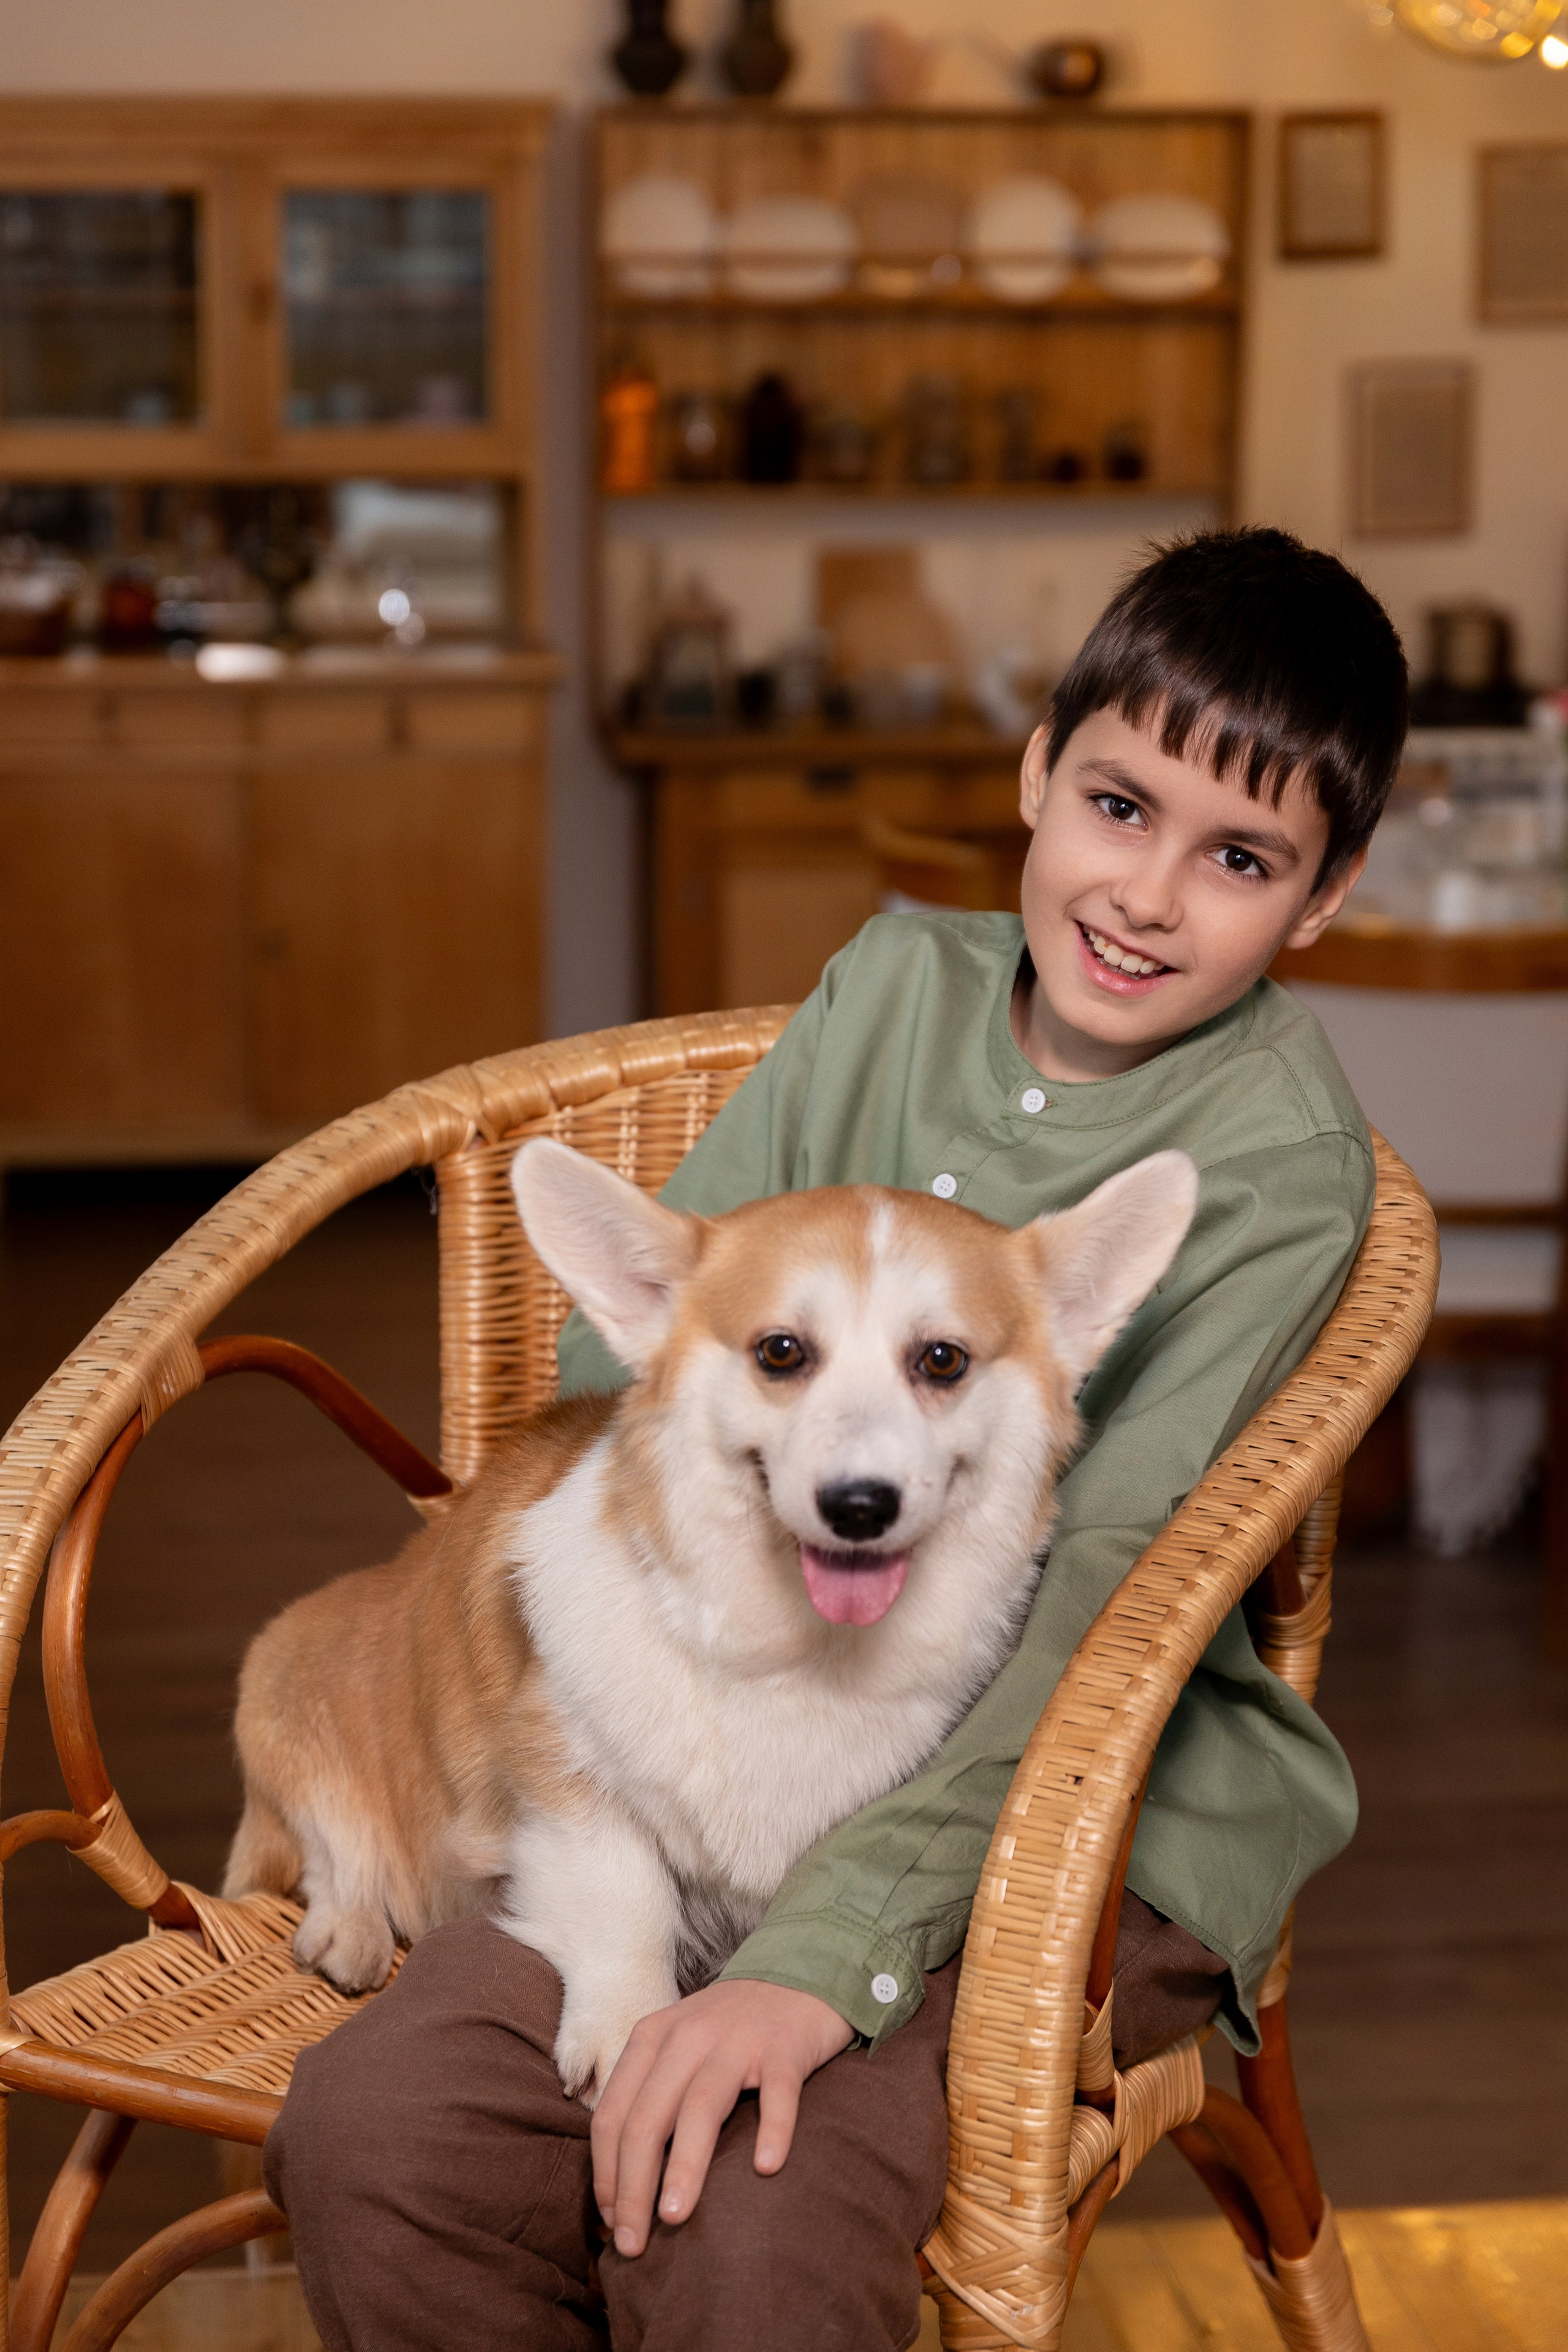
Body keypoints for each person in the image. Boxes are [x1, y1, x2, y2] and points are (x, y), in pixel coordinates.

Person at [265, 527, 1408, 2352]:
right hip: (724, 1756)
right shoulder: (890, 986)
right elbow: (629, 1363)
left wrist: (816, 1971)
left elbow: (1095, 1599)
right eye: (1118, 807)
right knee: (377, 2133)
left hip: (1069, 1813)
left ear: (1323, 899)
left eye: (1243, 859)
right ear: (1036, 774)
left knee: (752, 2218)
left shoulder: (1272, 1162)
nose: (1150, 896)